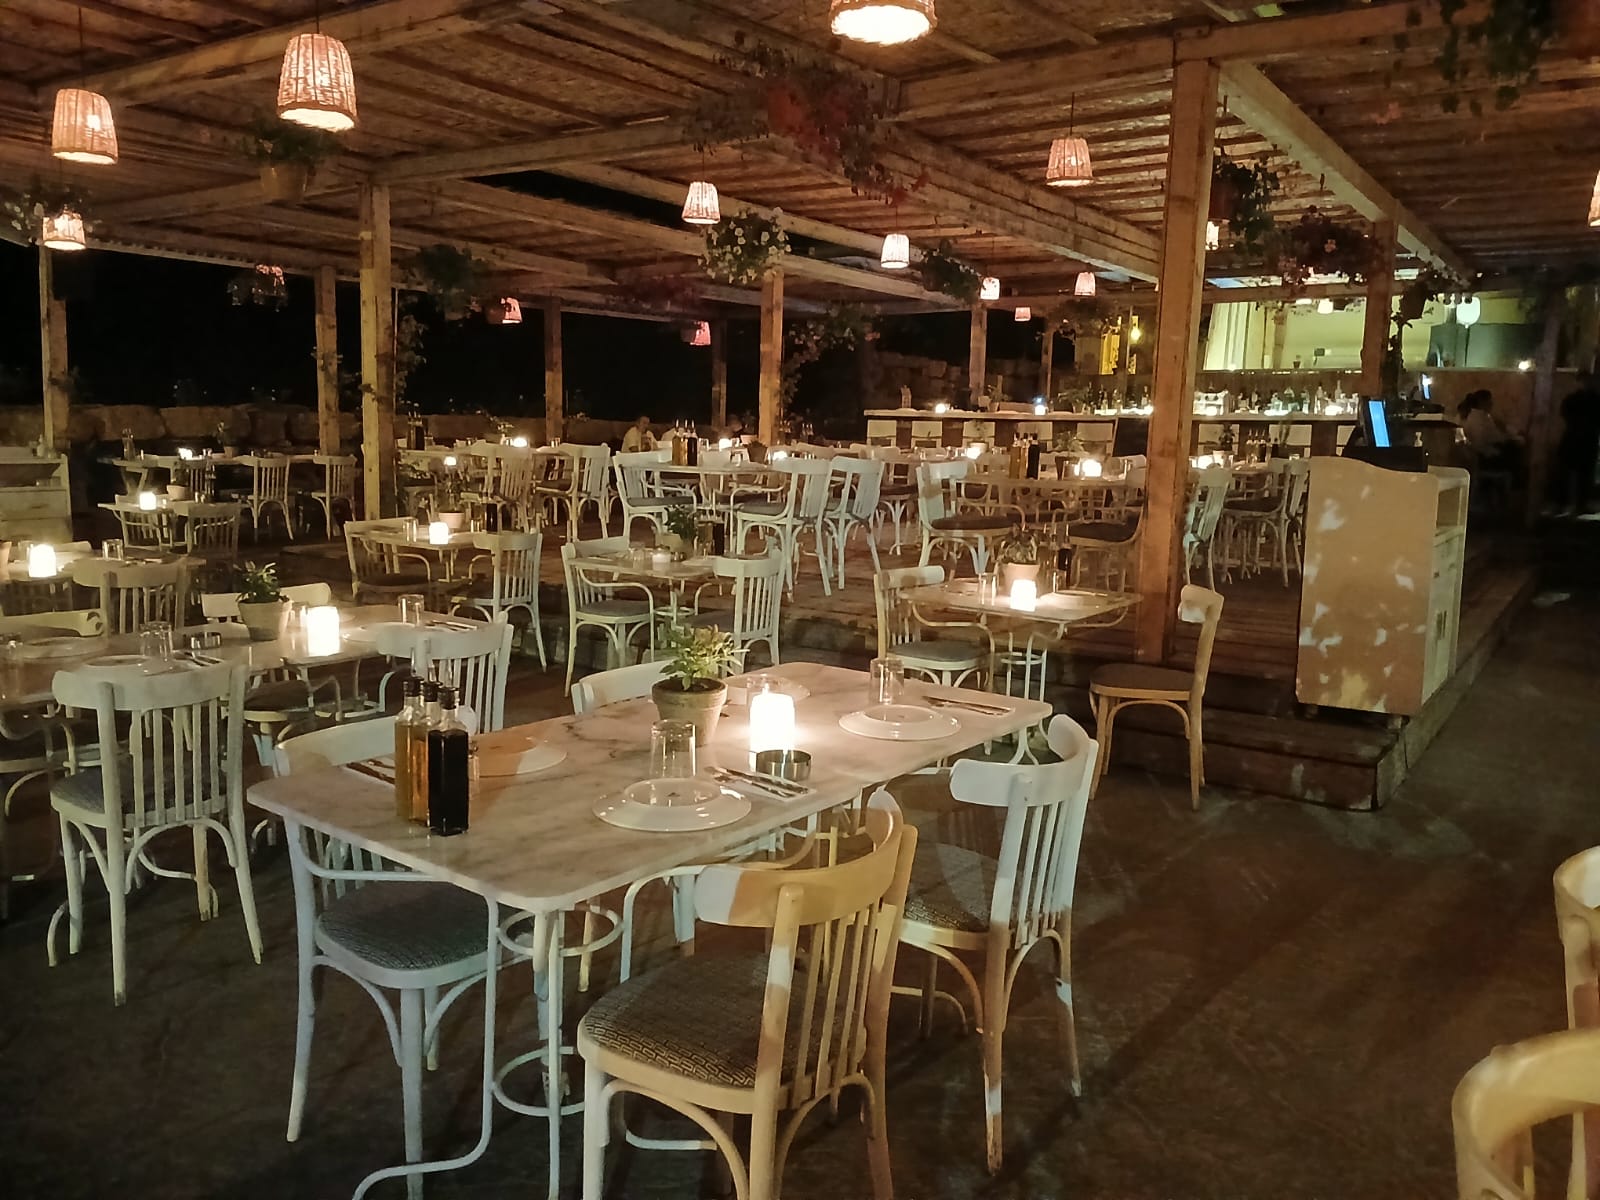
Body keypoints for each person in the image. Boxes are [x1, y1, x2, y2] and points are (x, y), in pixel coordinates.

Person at [1556, 370, 1600, 515]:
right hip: (1580, 438)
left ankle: (1575, 504)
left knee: (1580, 473)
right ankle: (1569, 504)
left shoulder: (1578, 399)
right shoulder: (1583, 399)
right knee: (1572, 473)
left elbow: (1565, 414)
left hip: (1579, 438)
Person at [1457, 390, 1523, 485]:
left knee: (1514, 445)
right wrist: (1508, 438)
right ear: (1482, 402)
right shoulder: (1478, 418)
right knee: (1514, 449)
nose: (1492, 404)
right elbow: (1488, 438)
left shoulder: (1481, 416)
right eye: (1489, 401)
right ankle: (1516, 483)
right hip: (1483, 457)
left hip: (1484, 453)